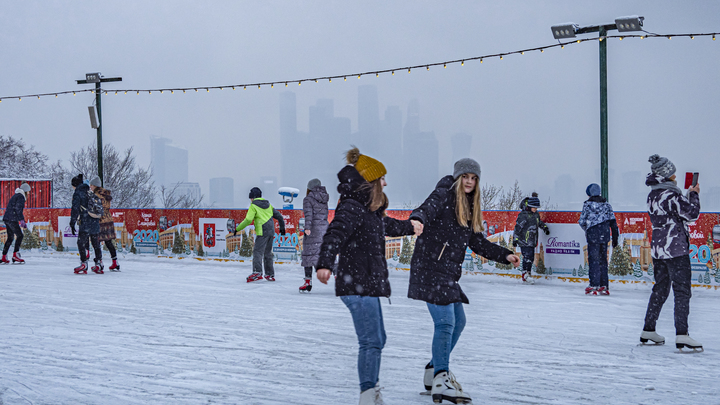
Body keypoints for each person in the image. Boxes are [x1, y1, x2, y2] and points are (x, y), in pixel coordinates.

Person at [315, 147, 422, 405]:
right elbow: (334, 233)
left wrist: (412, 226)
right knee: (371, 340)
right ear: (371, 181)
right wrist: (324, 264)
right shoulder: (353, 207)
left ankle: (370, 391)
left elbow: (390, 226)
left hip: (366, 284)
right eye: (381, 178)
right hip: (356, 284)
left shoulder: (369, 211)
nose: (385, 182)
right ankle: (367, 395)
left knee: (378, 338)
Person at [408, 158, 520, 404]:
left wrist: (505, 254)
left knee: (459, 322)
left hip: (446, 273)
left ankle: (433, 370)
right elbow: (426, 208)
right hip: (430, 267)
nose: (469, 182)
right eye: (466, 177)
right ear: (458, 178)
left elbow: (478, 242)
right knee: (446, 322)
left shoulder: (469, 207)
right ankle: (441, 377)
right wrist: (417, 218)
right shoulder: (444, 193)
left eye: (474, 178)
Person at [640, 155, 702, 352]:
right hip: (676, 248)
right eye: (673, 172)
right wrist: (693, 194)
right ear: (667, 175)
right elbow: (692, 214)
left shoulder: (653, 195)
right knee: (682, 291)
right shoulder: (671, 195)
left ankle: (648, 329)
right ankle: (682, 334)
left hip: (659, 249)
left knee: (660, 289)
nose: (675, 176)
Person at [235, 187, 286, 282]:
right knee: (267, 253)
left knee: (257, 251)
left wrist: (238, 229)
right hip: (271, 231)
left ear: (253, 197)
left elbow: (248, 220)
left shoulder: (253, 206)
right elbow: (279, 216)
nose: (250, 200)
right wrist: (282, 228)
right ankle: (270, 274)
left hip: (262, 231)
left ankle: (257, 272)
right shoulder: (268, 205)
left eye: (250, 198)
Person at [578, 183, 619, 295]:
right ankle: (604, 284)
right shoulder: (607, 205)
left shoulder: (587, 205)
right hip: (604, 234)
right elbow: (613, 222)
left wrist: (588, 228)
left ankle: (594, 284)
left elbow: (582, 221)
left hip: (593, 235)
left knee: (593, 260)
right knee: (603, 259)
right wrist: (615, 237)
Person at [512, 192, 550, 284]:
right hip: (524, 240)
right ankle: (525, 274)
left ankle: (527, 273)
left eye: (536, 208)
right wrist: (515, 238)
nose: (535, 209)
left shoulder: (535, 214)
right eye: (534, 207)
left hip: (532, 240)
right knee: (527, 257)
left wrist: (544, 227)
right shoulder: (524, 215)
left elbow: (538, 222)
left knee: (531, 258)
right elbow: (518, 227)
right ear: (529, 206)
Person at [299, 178, 329, 293]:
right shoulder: (324, 198)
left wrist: (307, 228)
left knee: (308, 256)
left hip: (313, 231)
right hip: (324, 230)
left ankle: (307, 283)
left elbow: (308, 215)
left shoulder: (308, 199)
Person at [69, 174, 103, 274]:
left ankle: (84, 263)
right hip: (95, 220)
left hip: (85, 221)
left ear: (75, 185)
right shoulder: (89, 190)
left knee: (81, 243)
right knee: (95, 243)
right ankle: (99, 263)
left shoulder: (78, 193)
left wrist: (72, 222)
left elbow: (75, 209)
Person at [90, 176, 120, 271]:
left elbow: (96, 209)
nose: (90, 187)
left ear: (95, 186)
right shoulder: (105, 194)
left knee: (97, 242)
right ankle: (115, 262)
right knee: (108, 242)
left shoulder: (96, 195)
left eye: (91, 185)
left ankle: (99, 263)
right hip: (108, 220)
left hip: (100, 221)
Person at [1, 182, 31, 264]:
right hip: (12, 219)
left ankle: (4, 256)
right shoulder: (21, 197)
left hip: (7, 218)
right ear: (25, 191)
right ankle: (15, 255)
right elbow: (18, 209)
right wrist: (21, 220)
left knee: (10, 238)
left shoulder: (16, 195)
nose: (29, 193)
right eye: (28, 191)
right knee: (20, 235)